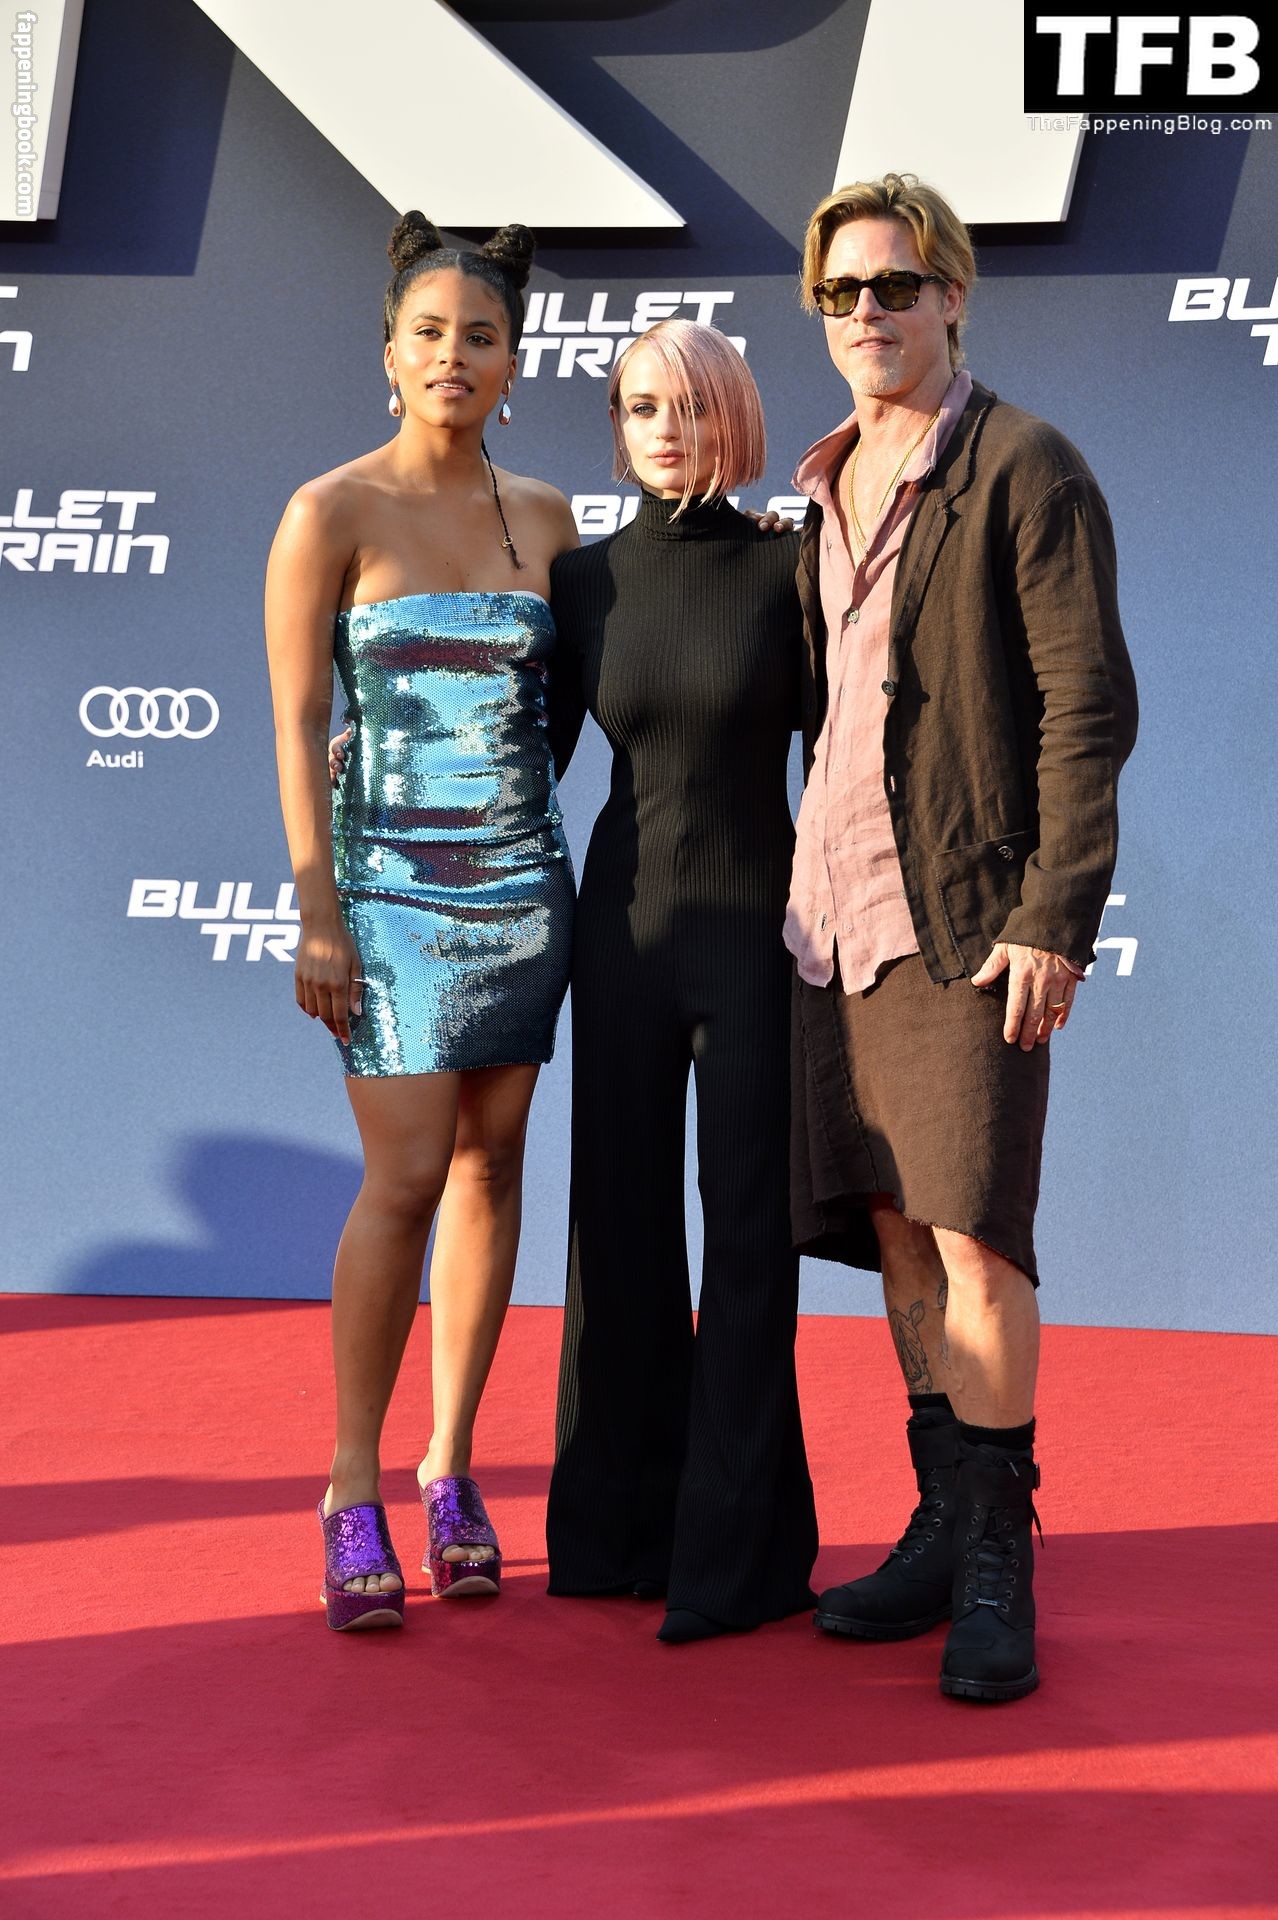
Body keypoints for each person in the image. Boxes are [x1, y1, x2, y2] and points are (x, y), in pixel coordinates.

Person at [786, 173, 1138, 1699]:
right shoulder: (822, 484)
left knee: (976, 1236)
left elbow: (1085, 706)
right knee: (895, 1229)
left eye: (893, 284)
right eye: (840, 292)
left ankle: (1000, 1557)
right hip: (832, 920)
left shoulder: (1022, 465)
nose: (866, 311)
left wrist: (1053, 915)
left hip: (965, 919)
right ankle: (939, 1523)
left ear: (949, 295)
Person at [265, 211, 579, 1630]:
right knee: (402, 1177)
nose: (455, 355)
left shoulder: (551, 518)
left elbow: (572, 703)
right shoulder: (327, 511)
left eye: (481, 336)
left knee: (492, 1169)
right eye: (430, 333)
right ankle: (352, 1482)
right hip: (385, 890)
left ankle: (451, 1466)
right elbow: (296, 722)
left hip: (522, 883)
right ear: (388, 352)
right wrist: (317, 907)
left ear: (514, 362)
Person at [544, 320, 819, 1643]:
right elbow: (526, 759)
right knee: (618, 1230)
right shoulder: (581, 580)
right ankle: (616, 1535)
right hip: (622, 935)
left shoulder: (793, 568)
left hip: (759, 935)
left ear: (735, 418)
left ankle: (734, 1554)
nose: (665, 429)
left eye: (691, 405)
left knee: (752, 1238)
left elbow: (852, 756)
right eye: (640, 407)